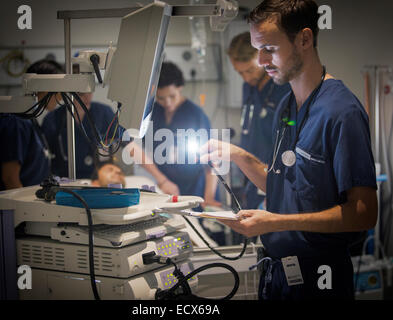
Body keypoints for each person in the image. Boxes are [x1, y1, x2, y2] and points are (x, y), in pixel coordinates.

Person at [200, 0, 377, 299]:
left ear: (304, 39)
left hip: (321, 277)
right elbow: (282, 184)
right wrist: (238, 156)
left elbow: (363, 213)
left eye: (269, 48)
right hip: (278, 273)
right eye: (258, 49)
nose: (260, 61)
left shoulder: (341, 112)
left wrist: (277, 221)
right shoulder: (287, 106)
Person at [227, 32, 290, 212]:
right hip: (252, 179)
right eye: (240, 72)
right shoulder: (248, 87)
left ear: (261, 58)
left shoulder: (282, 88)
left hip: (276, 179)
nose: (246, 78)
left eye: (250, 70)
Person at [147, 61, 220, 208]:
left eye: (172, 96)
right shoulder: (154, 113)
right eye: (160, 98)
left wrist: (209, 198)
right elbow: (144, 151)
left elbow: (213, 161)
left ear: (180, 88)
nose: (167, 102)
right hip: (168, 186)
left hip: (197, 188)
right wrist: (162, 180)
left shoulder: (195, 115)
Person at [0, 59, 63, 192]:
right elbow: (10, 178)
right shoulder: (15, 121)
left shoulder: (30, 120)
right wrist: (24, 209)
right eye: (60, 90)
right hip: (17, 208)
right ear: (45, 88)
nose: (62, 97)